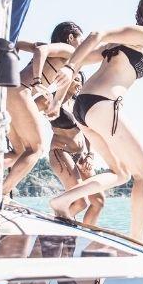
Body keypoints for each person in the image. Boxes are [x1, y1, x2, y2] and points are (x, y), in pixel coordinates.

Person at [48, 0, 143, 241]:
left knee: (121, 173)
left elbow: (84, 59)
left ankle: (62, 201)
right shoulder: (142, 34)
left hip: (84, 108)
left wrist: (59, 99)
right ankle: (137, 240)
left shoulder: (118, 46)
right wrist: (70, 67)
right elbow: (96, 35)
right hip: (103, 105)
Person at [3, 21, 84, 197]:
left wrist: (12, 68)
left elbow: (18, 45)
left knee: (18, 153)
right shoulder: (69, 50)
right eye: (81, 40)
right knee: (36, 148)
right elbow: (41, 51)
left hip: (8, 91)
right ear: (71, 38)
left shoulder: (51, 47)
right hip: (21, 91)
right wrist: (37, 81)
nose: (82, 46)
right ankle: (1, 193)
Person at [47, 72, 105, 225]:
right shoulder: (51, 99)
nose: (78, 83)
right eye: (75, 79)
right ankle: (56, 228)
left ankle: (88, 237)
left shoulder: (79, 104)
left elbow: (88, 131)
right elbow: (29, 107)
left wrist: (90, 155)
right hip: (61, 152)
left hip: (80, 156)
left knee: (98, 201)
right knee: (80, 202)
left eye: (80, 80)